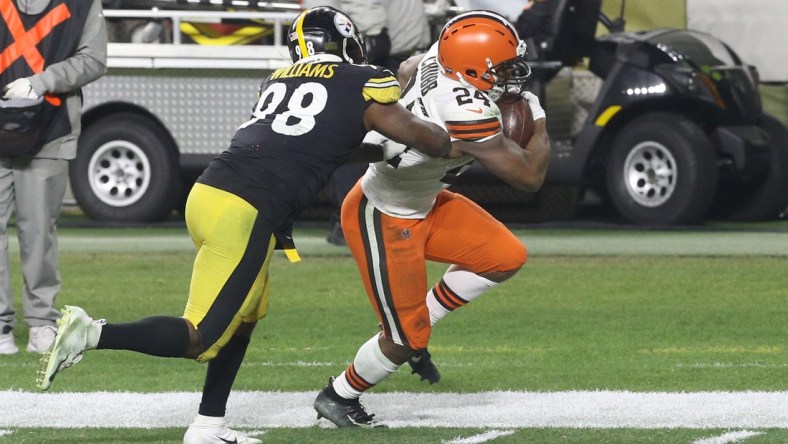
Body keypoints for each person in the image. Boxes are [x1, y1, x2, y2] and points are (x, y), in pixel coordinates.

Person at [35, 6, 450, 444]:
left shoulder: (279, 79)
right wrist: (421, 95)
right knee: (200, 337)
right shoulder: (362, 78)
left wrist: (380, 150)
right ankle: (94, 333)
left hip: (211, 194)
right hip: (247, 208)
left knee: (247, 315)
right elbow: (434, 141)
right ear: (346, 40)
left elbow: (318, 146)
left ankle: (208, 425)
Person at [312, 10, 550, 428]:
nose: (514, 75)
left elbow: (407, 66)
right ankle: (339, 396)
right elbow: (529, 177)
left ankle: (413, 319)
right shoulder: (466, 110)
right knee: (404, 339)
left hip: (426, 201)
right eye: (504, 67)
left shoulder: (436, 60)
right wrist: (540, 122)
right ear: (474, 68)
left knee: (504, 256)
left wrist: (404, 113)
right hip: (384, 217)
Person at [0, 0, 107, 355]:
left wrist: (42, 81)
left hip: (51, 130)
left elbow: (94, 59)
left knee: (39, 231)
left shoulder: (81, 4)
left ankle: (40, 323)